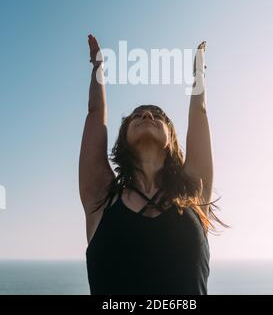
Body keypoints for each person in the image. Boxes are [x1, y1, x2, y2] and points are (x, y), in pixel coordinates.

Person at [79, 34, 223, 295]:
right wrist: (98, 68)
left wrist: (199, 73)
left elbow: (200, 113)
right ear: (122, 138)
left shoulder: (193, 192)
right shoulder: (101, 196)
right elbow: (95, 114)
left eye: (157, 116)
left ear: (171, 138)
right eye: (137, 115)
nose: (147, 115)